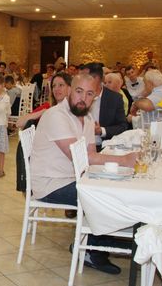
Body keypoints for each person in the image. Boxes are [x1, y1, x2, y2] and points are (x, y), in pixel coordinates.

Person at [30, 74, 136, 274]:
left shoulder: (86, 118)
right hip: (51, 184)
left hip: (75, 178)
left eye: (89, 94)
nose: (83, 98)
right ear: (70, 90)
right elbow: (80, 158)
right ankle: (92, 250)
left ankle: (103, 241)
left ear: (95, 97)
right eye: (79, 91)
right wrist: (123, 160)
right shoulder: (55, 116)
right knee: (102, 197)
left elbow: (91, 155)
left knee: (112, 189)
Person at [81, 62, 127, 151]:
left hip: (102, 148)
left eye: (84, 78)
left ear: (97, 79)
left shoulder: (114, 98)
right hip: (79, 147)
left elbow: (123, 126)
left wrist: (101, 131)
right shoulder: (77, 95)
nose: (81, 81)